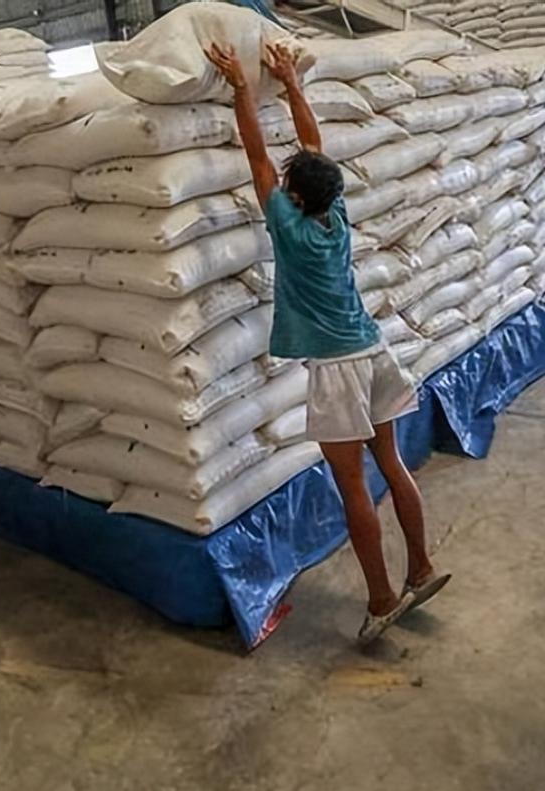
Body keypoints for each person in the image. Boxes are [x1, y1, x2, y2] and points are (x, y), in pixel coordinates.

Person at [204, 42, 451, 645]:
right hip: (373, 351)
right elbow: (312, 147)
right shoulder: (334, 212)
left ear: (292, 195)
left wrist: (242, 88)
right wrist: (291, 83)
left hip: (338, 371)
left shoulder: (287, 225)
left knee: (353, 486)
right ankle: (420, 567)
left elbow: (257, 153)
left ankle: (382, 599)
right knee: (391, 464)